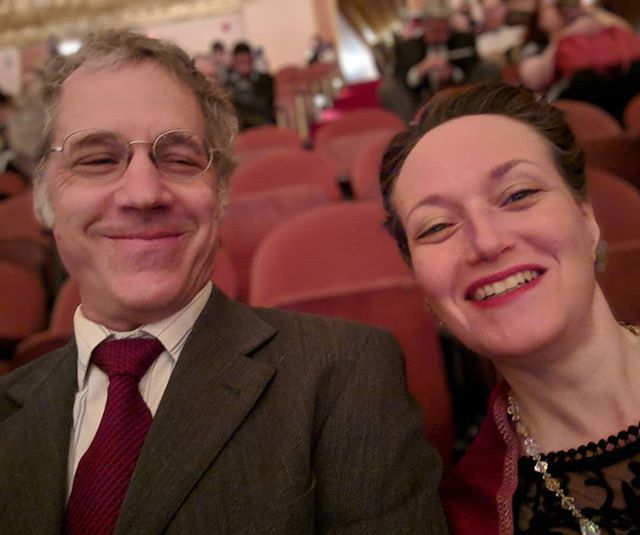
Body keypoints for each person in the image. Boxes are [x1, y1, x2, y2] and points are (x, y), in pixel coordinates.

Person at [0, 30, 448, 534]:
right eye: (98, 159)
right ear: (40, 196)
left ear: (220, 192)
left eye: (180, 158)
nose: (145, 193)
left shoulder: (345, 376)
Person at [380, 82, 640, 534]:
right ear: (422, 284)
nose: (486, 242)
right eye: (437, 226)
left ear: (586, 217)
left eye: (518, 195)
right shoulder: (468, 516)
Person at [225, 41, 275, 130]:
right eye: (240, 62)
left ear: (251, 61)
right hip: (240, 130)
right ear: (234, 62)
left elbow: (266, 105)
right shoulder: (228, 85)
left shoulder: (266, 80)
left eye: (246, 62)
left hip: (264, 126)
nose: (243, 66)